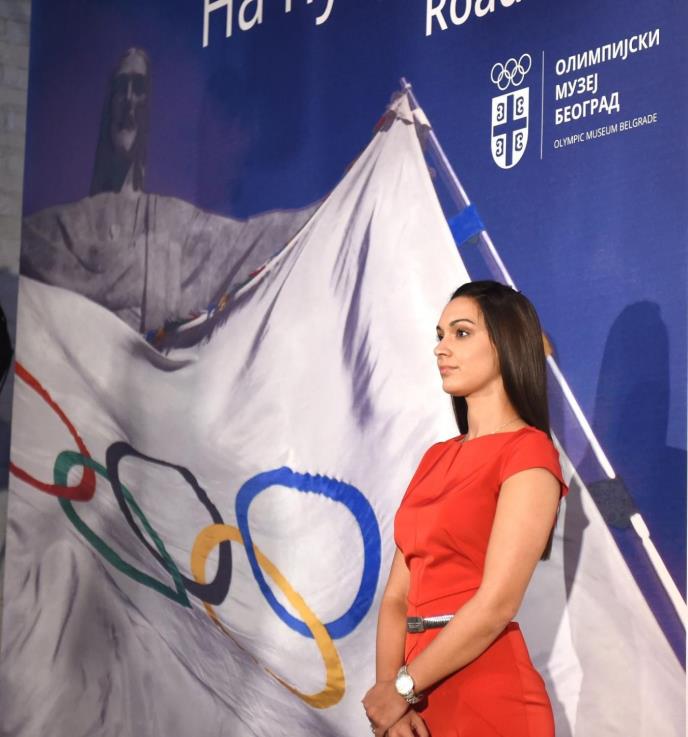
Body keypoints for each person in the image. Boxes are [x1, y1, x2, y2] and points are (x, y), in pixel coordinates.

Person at [362, 280, 568, 737]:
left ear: (506, 343)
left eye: (461, 333)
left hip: (488, 696)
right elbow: (396, 597)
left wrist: (402, 688)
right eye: (440, 335)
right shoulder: (435, 457)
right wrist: (390, 694)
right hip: (413, 701)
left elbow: (497, 604)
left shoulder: (529, 452)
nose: (441, 348)